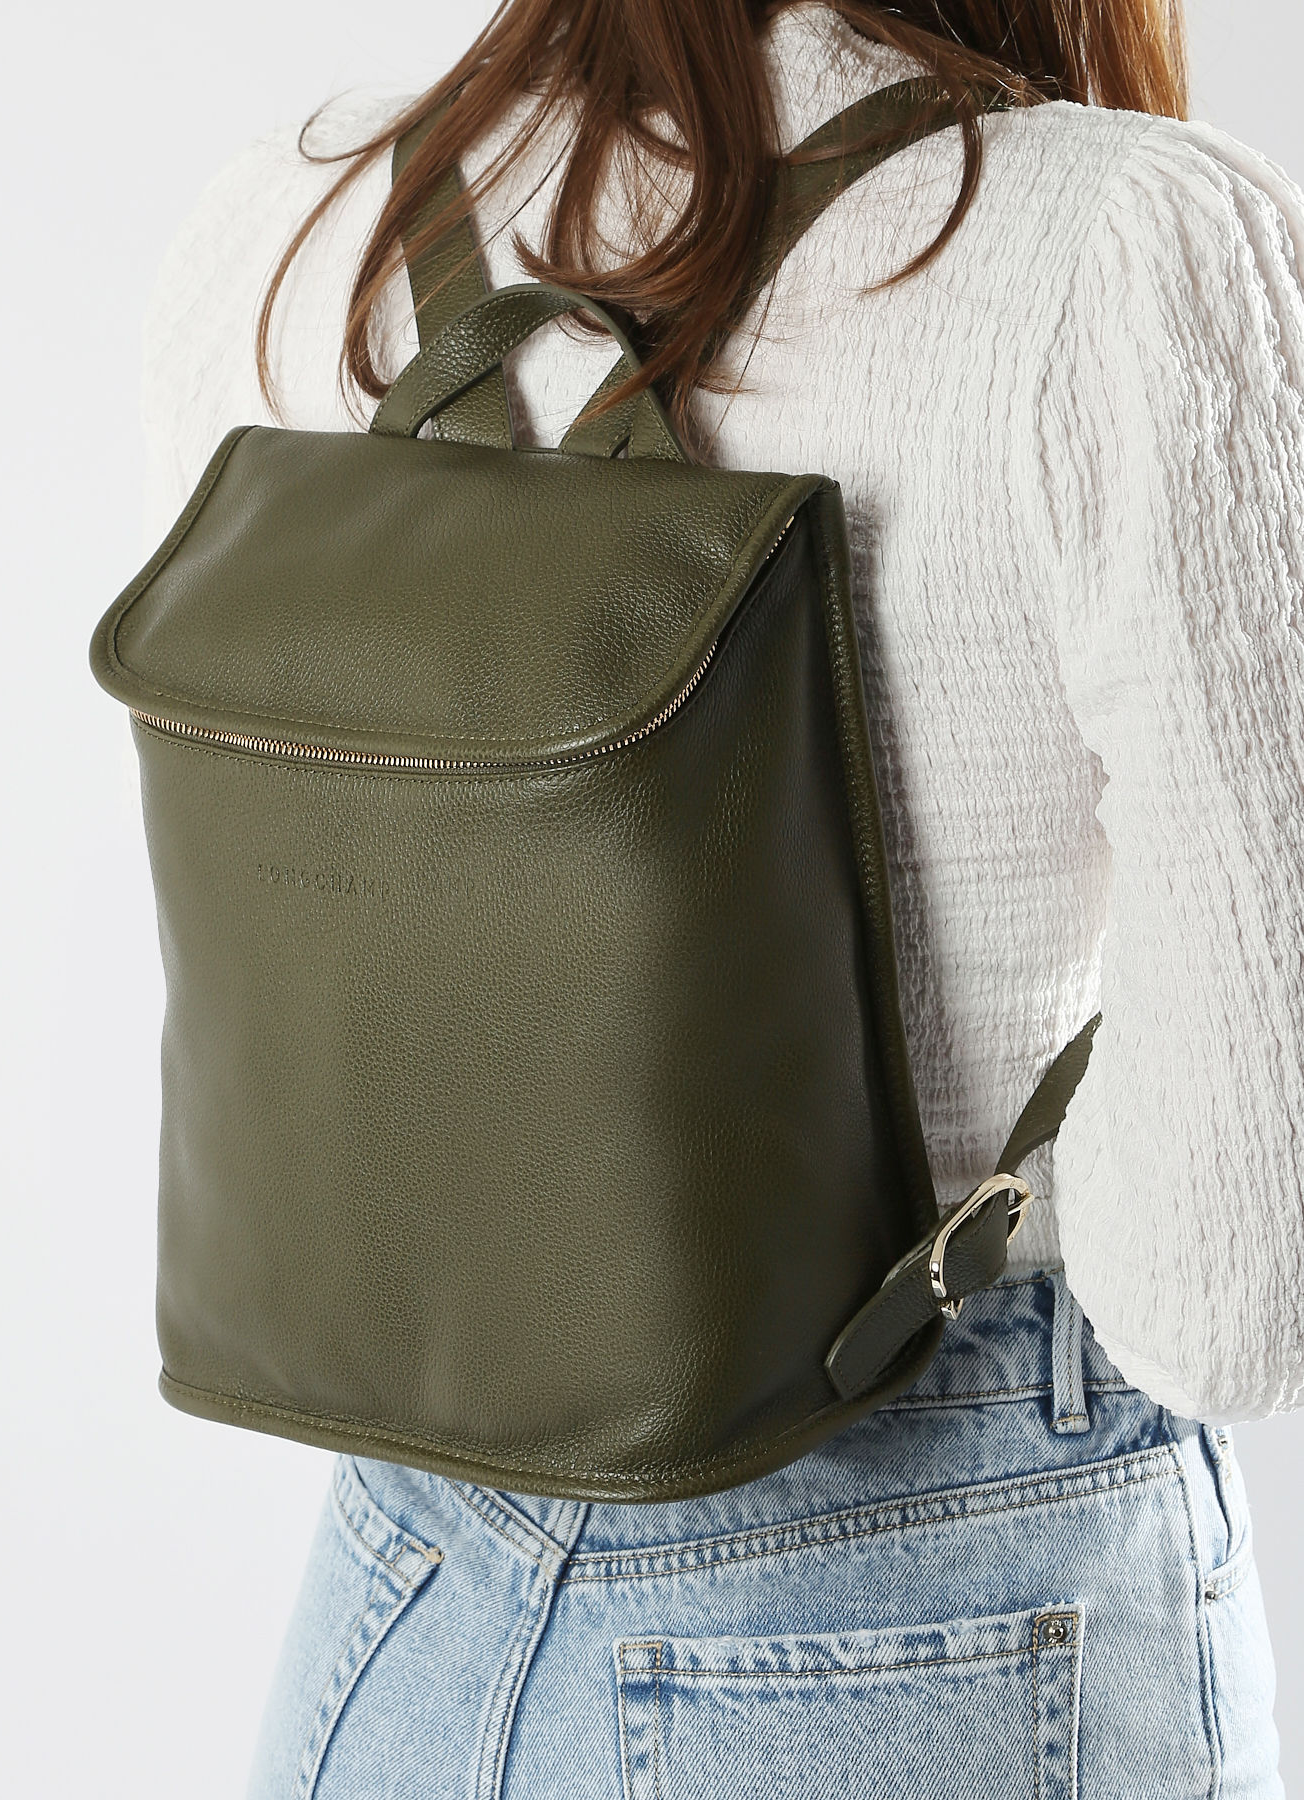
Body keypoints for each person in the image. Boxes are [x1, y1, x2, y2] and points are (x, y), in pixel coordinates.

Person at [141, 3, 1301, 1793]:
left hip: (396, 1586)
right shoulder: (1126, 247)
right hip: (931, 1579)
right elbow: (1222, 1303)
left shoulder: (305, 211)